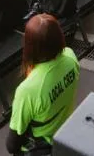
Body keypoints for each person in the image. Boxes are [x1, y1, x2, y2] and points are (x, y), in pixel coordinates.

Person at [6, 14, 80, 155]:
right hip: (65, 133)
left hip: (43, 147)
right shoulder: (71, 57)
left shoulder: (27, 90)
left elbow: (11, 146)